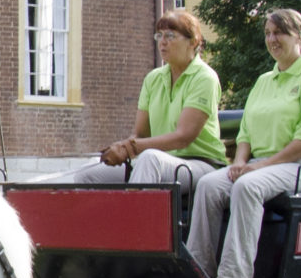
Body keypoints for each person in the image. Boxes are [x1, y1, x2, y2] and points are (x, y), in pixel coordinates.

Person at [187, 9, 301, 278]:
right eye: (268, 33)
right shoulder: (264, 80)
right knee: (208, 185)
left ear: (299, 36)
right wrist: (240, 161)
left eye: (279, 33)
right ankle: (198, 274)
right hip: (264, 165)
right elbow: (246, 132)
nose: (272, 39)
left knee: (247, 186)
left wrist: (258, 168)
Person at [39, 11, 224, 186]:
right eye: (159, 36)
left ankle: (136, 219)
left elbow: (183, 137)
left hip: (199, 164)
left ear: (194, 41)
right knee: (87, 174)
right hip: (157, 161)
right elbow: (140, 134)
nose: (163, 42)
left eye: (170, 36)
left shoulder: (204, 78)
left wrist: (130, 148)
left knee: (149, 159)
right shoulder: (153, 78)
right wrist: (121, 148)